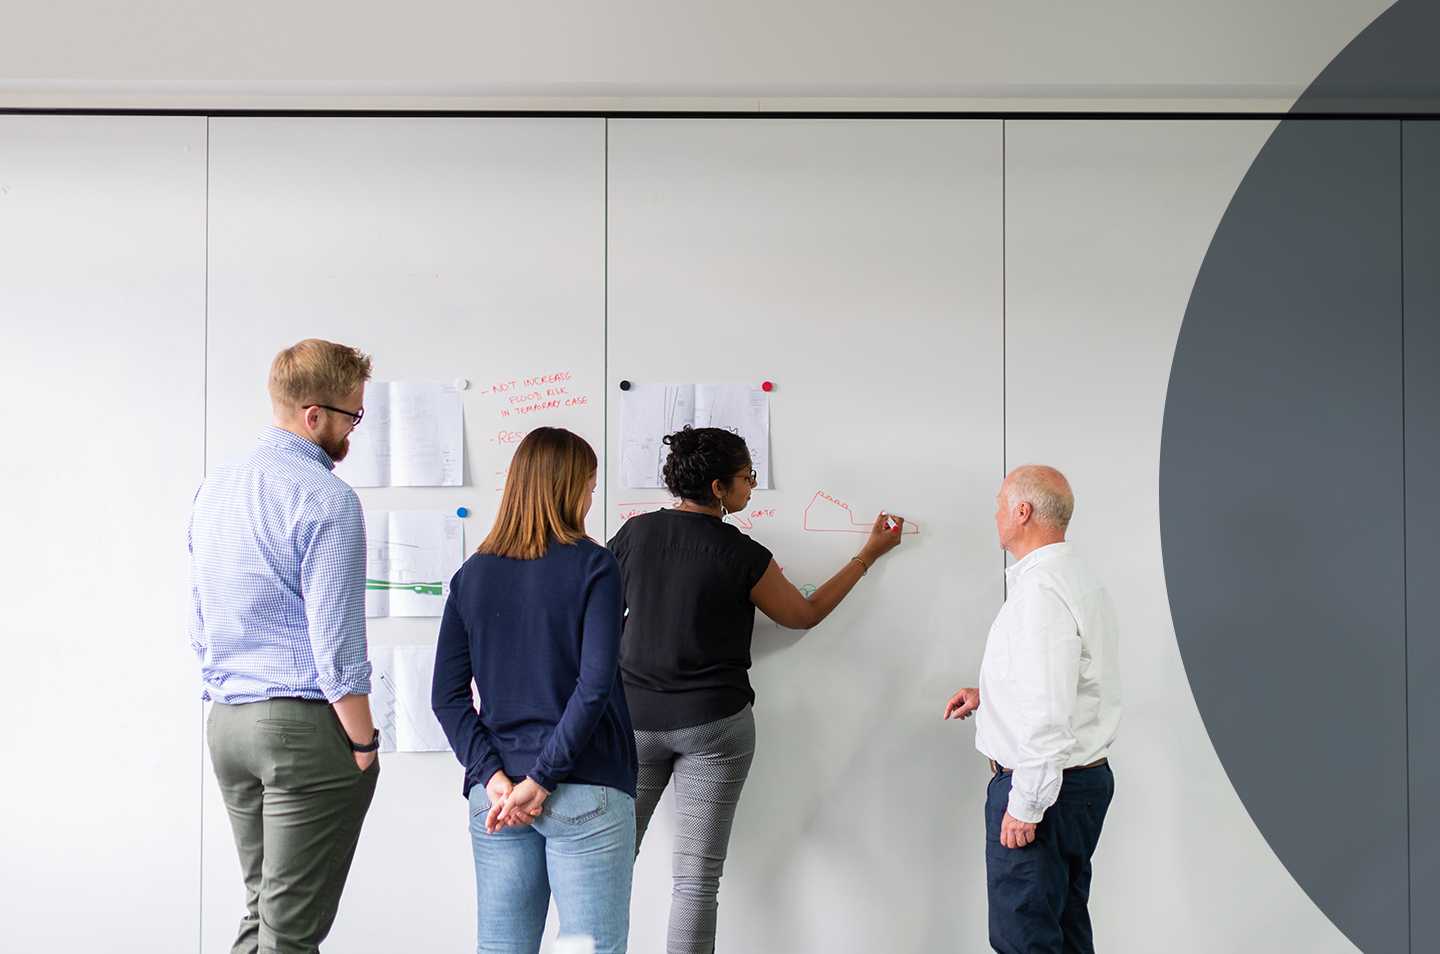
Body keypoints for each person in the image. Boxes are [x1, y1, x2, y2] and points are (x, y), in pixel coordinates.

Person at [608, 426, 904, 954]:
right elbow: (802, 615)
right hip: (712, 726)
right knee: (696, 880)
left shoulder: (635, 535)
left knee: (606, 864)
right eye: (747, 478)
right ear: (719, 487)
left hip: (633, 719)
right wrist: (868, 555)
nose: (752, 487)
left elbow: (601, 608)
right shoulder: (742, 553)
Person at [189, 338, 380, 954]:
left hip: (228, 724)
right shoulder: (326, 497)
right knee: (291, 934)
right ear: (313, 415)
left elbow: (199, 613)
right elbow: (337, 640)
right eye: (352, 415)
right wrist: (363, 741)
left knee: (265, 916)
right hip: (302, 729)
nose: (355, 428)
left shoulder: (214, 488)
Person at [432, 427, 637, 954]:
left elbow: (447, 698)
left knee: (501, 947)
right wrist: (542, 780)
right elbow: (593, 687)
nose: (592, 497)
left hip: (495, 796)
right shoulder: (596, 565)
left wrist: (495, 778)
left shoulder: (471, 575)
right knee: (590, 948)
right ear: (569, 488)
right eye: (590, 485)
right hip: (583, 785)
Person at [942, 464, 1121, 954]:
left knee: (1025, 939)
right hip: (1076, 782)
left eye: (1001, 504)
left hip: (1043, 788)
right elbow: (1068, 681)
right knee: (1063, 928)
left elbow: (1048, 712)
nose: (996, 513)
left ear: (1022, 512)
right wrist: (989, 698)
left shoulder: (1040, 592)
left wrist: (1026, 804)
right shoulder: (1073, 578)